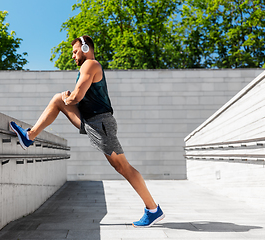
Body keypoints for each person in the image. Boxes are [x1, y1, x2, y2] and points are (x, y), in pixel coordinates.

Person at [9, 35, 165, 227]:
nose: (73, 56)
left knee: (123, 167)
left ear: (85, 48)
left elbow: (77, 95)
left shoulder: (90, 64)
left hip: (101, 124)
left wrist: (70, 97)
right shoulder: (87, 67)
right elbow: (76, 97)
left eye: (75, 52)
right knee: (58, 99)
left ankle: (153, 209)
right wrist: (69, 97)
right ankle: (29, 136)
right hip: (92, 121)